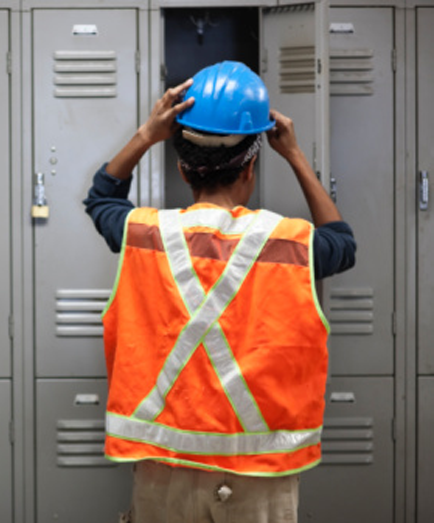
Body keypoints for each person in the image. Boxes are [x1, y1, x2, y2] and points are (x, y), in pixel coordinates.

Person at [83, 61, 356, 523]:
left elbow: (103, 196)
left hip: (164, 471)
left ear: (183, 171)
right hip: (260, 478)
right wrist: (295, 156)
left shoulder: (144, 234)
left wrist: (148, 133)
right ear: (250, 166)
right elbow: (343, 242)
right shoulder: (291, 243)